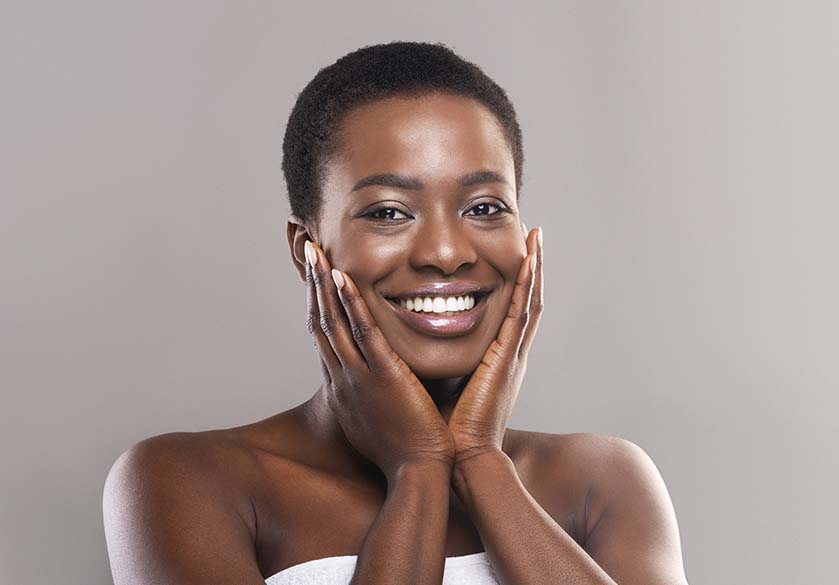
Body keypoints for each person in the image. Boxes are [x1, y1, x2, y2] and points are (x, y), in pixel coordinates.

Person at [103, 41, 690, 585]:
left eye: (485, 206)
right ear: (306, 249)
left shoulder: (602, 481)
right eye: (388, 212)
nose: (446, 253)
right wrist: (418, 470)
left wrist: (482, 463)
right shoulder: (189, 481)